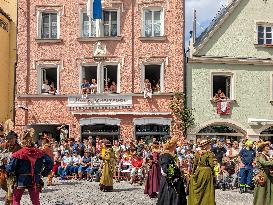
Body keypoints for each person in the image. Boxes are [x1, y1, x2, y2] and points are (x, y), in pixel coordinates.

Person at [5, 128, 53, 205]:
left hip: (21, 180)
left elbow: (10, 168)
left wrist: (6, 167)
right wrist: (44, 173)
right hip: (35, 179)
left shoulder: (18, 154)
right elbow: (50, 162)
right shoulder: (40, 152)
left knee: (16, 200)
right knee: (35, 201)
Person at [157, 136, 187, 205]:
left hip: (173, 182)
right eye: (175, 144)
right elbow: (167, 170)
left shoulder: (170, 155)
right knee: (171, 200)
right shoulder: (166, 155)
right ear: (172, 145)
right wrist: (178, 172)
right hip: (170, 184)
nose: (176, 146)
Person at [188, 139, 215, 205]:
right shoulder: (209, 153)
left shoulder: (197, 153)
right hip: (207, 172)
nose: (210, 145)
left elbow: (194, 165)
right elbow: (211, 165)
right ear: (205, 146)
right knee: (207, 190)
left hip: (199, 172)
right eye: (209, 144)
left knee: (199, 188)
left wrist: (193, 174)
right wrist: (213, 173)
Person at [0, 128, 21, 205]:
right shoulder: (5, 145)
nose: (11, 140)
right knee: (3, 186)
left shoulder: (19, 148)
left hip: (14, 172)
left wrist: (8, 160)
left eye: (12, 138)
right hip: (3, 170)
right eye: (9, 138)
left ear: (15, 138)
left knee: (11, 191)